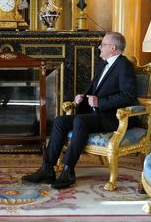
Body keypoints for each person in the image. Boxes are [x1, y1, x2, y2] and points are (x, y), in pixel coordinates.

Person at [22, 32, 137, 189]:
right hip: (95, 114)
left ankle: (68, 170)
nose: (99, 47)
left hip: (112, 117)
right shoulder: (104, 64)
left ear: (113, 48)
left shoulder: (124, 66)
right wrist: (82, 97)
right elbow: (97, 90)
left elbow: (128, 96)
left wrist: (100, 102)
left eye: (102, 45)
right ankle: (47, 168)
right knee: (60, 121)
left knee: (80, 120)